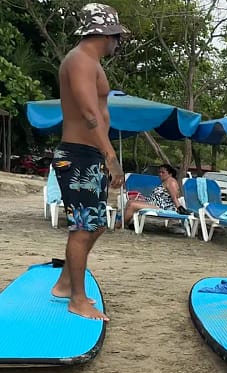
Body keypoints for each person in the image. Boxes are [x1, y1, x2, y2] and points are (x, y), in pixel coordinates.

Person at [49, 3, 128, 321]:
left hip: (89, 155)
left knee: (95, 225)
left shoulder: (89, 60)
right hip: (79, 155)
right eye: (117, 36)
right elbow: (88, 113)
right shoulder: (80, 60)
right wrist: (112, 158)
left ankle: (66, 282)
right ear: (106, 33)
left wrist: (103, 156)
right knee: (83, 229)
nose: (118, 43)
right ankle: (76, 299)